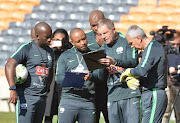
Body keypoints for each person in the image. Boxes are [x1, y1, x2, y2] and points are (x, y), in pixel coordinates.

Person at [5, 22, 54, 123]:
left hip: (42, 97)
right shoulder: (27, 48)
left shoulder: (50, 51)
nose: (49, 39)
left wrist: (47, 87)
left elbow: (51, 70)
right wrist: (12, 88)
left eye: (51, 36)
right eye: (47, 37)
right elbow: (9, 65)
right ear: (37, 36)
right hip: (27, 97)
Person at [120, 25, 168, 123]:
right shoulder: (148, 49)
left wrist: (128, 72)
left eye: (131, 43)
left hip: (154, 92)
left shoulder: (152, 47)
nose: (132, 47)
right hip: (150, 93)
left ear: (139, 38)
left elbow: (142, 70)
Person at [97, 18, 141, 123]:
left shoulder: (126, 41)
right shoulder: (102, 50)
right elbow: (101, 77)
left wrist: (115, 61)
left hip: (130, 93)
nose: (103, 36)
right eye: (100, 34)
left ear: (113, 29)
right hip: (112, 95)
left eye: (105, 33)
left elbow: (133, 62)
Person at [55, 28, 96, 123]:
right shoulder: (65, 56)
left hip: (87, 101)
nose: (83, 43)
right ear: (72, 42)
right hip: (69, 99)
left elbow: (100, 76)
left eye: (84, 38)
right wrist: (72, 77)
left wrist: (91, 76)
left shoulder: (93, 54)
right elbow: (58, 78)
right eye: (78, 41)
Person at [44, 29, 72, 123]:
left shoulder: (70, 52)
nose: (59, 42)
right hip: (51, 88)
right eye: (56, 39)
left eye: (62, 40)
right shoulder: (48, 51)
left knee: (63, 117)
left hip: (64, 89)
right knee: (48, 116)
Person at [86, 10, 109, 123]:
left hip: (109, 86)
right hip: (92, 86)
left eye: (97, 24)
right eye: (92, 25)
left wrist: (103, 45)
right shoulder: (86, 38)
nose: (95, 28)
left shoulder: (112, 35)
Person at [162, 31, 180, 123]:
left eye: (178, 44)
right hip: (168, 85)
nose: (176, 46)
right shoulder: (166, 52)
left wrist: (176, 71)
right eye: (174, 44)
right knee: (166, 112)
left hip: (178, 85)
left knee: (179, 113)